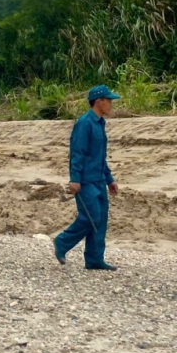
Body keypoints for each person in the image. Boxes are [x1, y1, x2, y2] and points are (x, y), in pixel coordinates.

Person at [53, 85, 121, 270]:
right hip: (85, 181)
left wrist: (109, 179)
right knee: (91, 217)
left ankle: (94, 259)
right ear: (99, 101)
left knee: (101, 219)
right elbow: (77, 153)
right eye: (109, 100)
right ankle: (62, 242)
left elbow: (100, 156)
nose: (111, 104)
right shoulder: (84, 123)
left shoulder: (100, 123)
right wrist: (75, 180)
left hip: (99, 180)